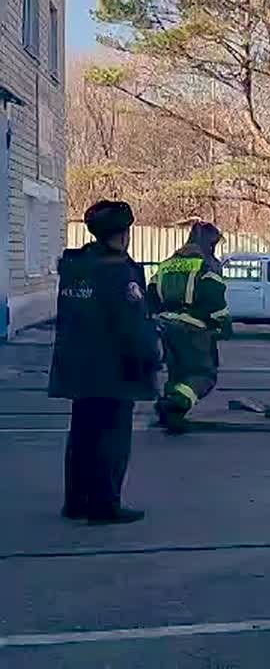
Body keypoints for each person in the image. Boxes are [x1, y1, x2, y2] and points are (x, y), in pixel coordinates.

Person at [49, 200, 160, 524]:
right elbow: (133, 325)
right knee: (111, 438)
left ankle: (77, 501)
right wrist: (153, 355)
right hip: (114, 369)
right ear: (124, 234)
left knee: (82, 435)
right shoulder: (119, 271)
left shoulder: (75, 266)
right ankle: (104, 504)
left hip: (77, 367)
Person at [147, 221, 229, 432]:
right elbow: (214, 298)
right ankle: (175, 403)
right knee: (203, 375)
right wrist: (223, 323)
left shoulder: (167, 264)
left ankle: (171, 415)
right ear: (209, 243)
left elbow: (151, 295)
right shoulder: (205, 265)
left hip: (166, 328)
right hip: (194, 330)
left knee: (177, 374)